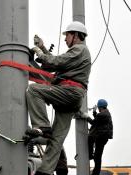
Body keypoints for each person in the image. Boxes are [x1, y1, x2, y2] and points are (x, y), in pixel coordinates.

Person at [25, 21, 91, 175]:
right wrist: (42, 47)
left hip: (69, 92)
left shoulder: (80, 49)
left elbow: (57, 62)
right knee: (57, 139)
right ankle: (45, 172)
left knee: (33, 90)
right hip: (71, 97)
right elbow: (59, 63)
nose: (65, 38)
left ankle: (42, 126)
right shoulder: (78, 52)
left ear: (76, 35)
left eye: (67, 35)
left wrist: (40, 54)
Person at [87, 99, 113, 175]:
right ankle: (91, 155)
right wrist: (94, 112)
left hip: (101, 137)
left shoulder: (103, 114)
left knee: (97, 156)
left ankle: (90, 156)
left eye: (98, 108)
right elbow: (98, 120)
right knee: (98, 155)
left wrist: (86, 117)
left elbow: (94, 122)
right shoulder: (106, 113)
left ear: (100, 107)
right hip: (103, 137)